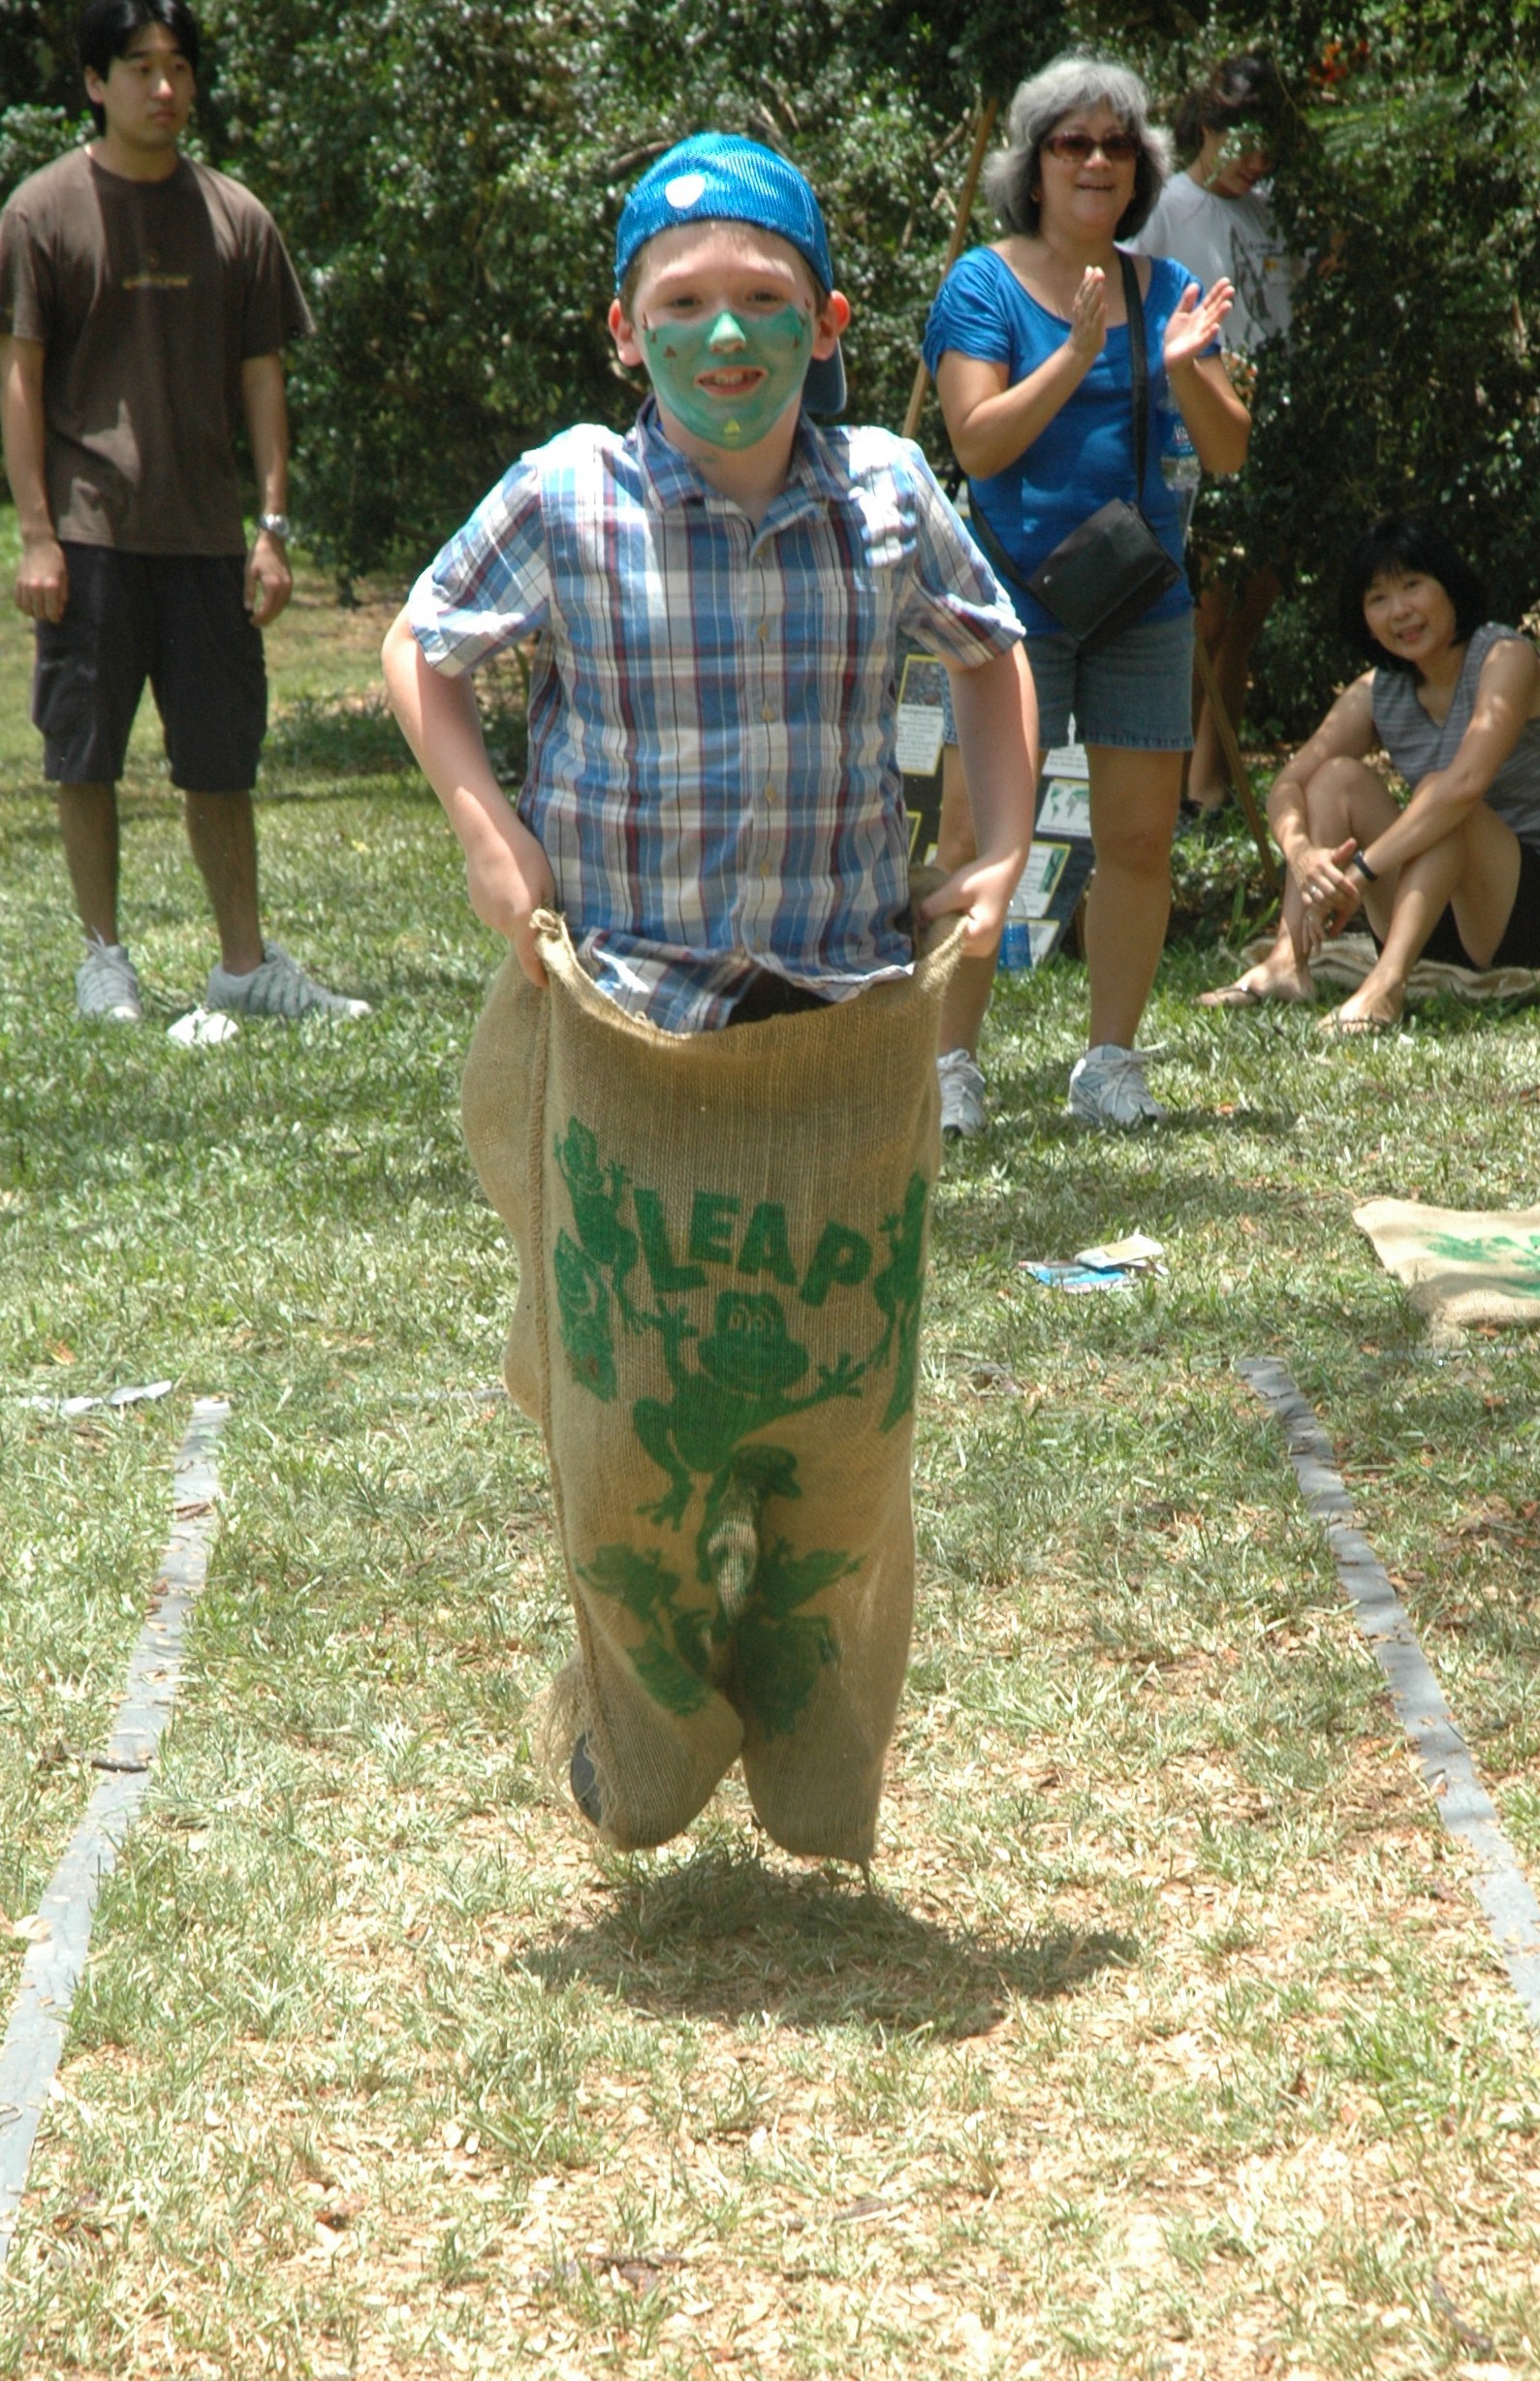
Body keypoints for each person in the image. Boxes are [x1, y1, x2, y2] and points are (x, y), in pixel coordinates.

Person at [383, 136, 1036, 1857]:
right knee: (634, 1438)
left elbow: (991, 648)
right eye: (685, 306)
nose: (725, 339)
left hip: (837, 1029)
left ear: (827, 323)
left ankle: (821, 1747)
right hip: (628, 1031)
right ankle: (641, 1740)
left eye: (763, 303)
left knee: (834, 1436)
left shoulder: (890, 491)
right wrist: (488, 832)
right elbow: (423, 645)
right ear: (624, 329)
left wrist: (1002, 843)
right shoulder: (568, 496)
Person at [0, 0, 368, 1024]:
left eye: (177, 67)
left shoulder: (237, 218)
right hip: (89, 529)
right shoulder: (41, 212)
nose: (162, 88)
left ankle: (244, 966)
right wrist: (36, 529)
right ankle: (102, 960)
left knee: (220, 758)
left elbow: (263, 380)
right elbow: (19, 379)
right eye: (137, 66)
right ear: (92, 81)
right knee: (85, 753)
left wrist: (273, 526)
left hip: (207, 534)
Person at [922, 53, 1248, 1132]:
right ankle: (947, 1065)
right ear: (1035, 164)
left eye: (1117, 144)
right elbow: (976, 441)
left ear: (1141, 166)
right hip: (1010, 601)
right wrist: (1074, 352)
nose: (1097, 160)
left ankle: (1108, 1060)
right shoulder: (981, 284)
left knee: (1139, 842)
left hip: (1140, 603)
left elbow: (1229, 454)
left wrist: (1187, 363)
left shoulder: (1166, 291)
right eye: (1073, 142)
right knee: (975, 841)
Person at [1199, 515, 1540, 1028]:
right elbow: (1289, 783)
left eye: (1413, 585)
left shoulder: (1506, 657)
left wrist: (1362, 870)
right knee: (1334, 779)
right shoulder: (1379, 690)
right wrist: (1303, 855)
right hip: (1443, 914)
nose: (1400, 611)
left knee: (1444, 797)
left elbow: (1464, 788)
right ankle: (1288, 960)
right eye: (1378, 598)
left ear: (1450, 588)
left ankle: (1387, 985)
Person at [1135, 53, 1295, 816]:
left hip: (1269, 413)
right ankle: (1163, 786)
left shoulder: (1267, 208)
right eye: (1242, 143)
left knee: (1251, 603)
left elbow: (1280, 312)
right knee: (1202, 607)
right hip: (1190, 414)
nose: (1254, 163)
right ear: (1206, 127)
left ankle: (1210, 783)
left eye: (1267, 148)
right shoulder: (1165, 205)